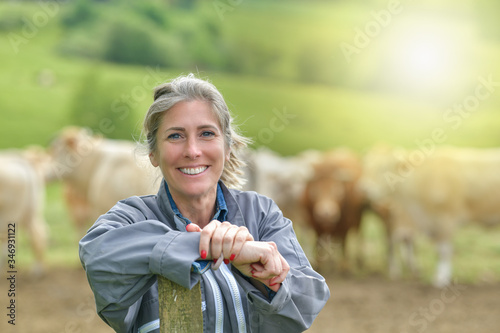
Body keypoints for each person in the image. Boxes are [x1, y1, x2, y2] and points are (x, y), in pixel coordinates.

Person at [79, 74, 330, 333]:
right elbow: (97, 256)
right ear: (153, 153)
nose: (192, 150)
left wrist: (268, 279)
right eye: (175, 136)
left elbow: (307, 301)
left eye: (207, 134)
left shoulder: (261, 213)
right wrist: (203, 247)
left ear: (228, 147)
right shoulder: (131, 217)